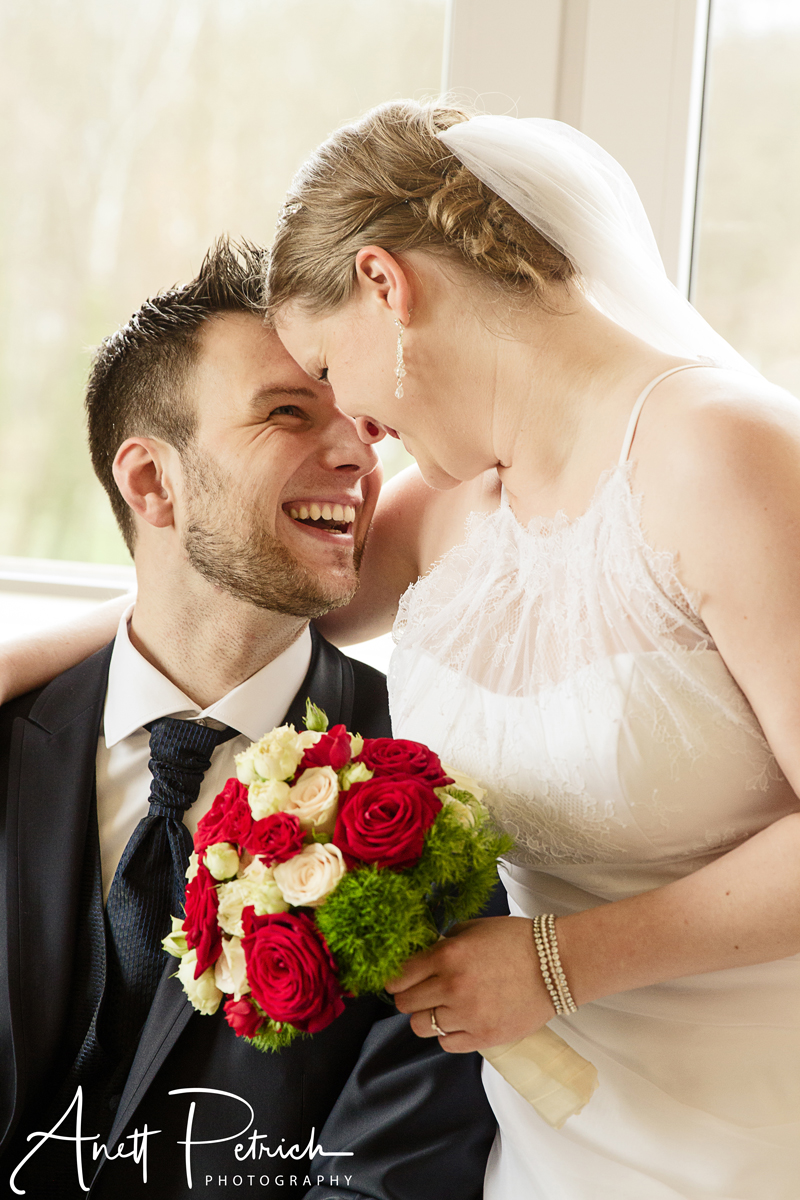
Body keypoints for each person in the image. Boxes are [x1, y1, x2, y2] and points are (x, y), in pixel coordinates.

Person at [262, 102, 800, 1198]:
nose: (349, 425)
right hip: (547, 1140)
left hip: (752, 1124)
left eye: (326, 367)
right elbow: (253, 603)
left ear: (383, 282)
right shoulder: (460, 506)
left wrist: (560, 963)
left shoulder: (720, 455)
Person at [0, 239, 497, 1199]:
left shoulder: (430, 793)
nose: (359, 454)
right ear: (152, 484)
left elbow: (388, 1175)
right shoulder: (11, 742)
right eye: (286, 413)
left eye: (358, 420)